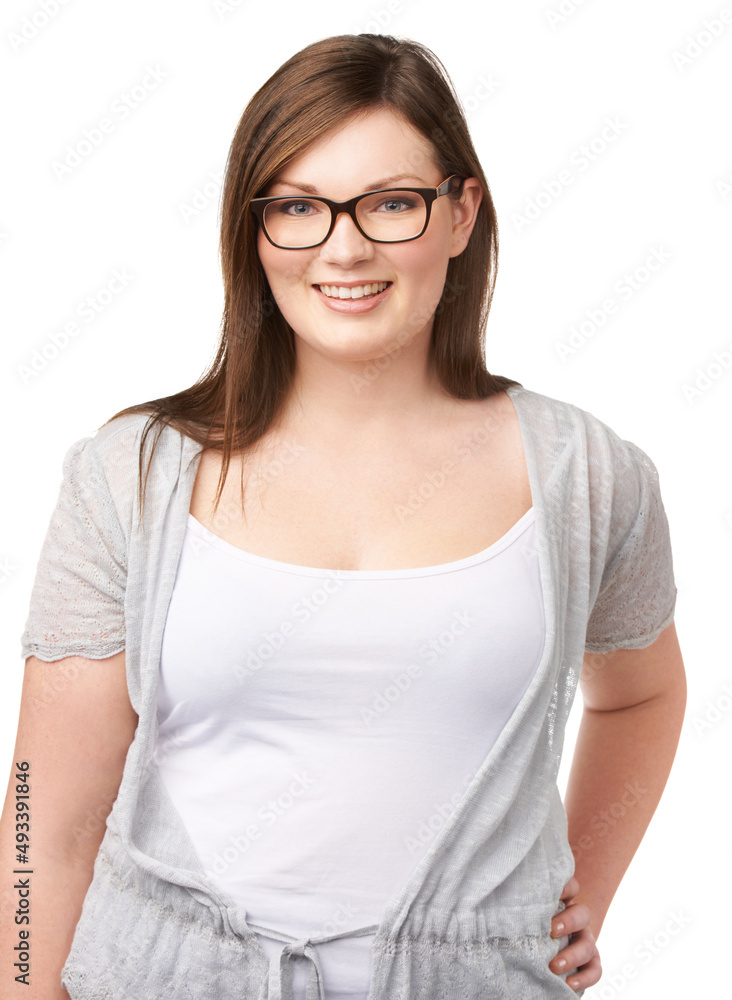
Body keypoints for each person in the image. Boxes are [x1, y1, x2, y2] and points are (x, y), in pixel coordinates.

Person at [0, 32, 686, 1000]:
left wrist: (587, 894)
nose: (344, 247)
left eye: (391, 203)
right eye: (297, 208)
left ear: (462, 213)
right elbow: (44, 811)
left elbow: (641, 692)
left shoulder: (588, 475)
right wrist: (22, 983)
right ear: (254, 230)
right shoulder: (131, 474)